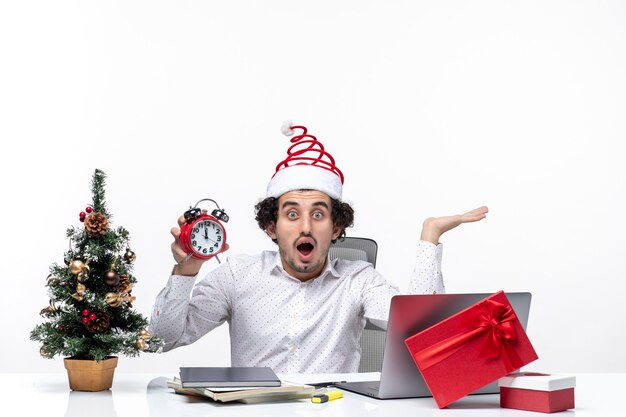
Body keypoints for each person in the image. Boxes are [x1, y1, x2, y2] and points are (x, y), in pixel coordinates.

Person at [149, 122, 488, 373]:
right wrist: (187, 269)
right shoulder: (236, 275)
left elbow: (426, 332)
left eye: (319, 214)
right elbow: (162, 340)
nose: (306, 226)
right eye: (292, 214)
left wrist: (430, 237)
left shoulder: (358, 279)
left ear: (336, 227)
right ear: (272, 227)